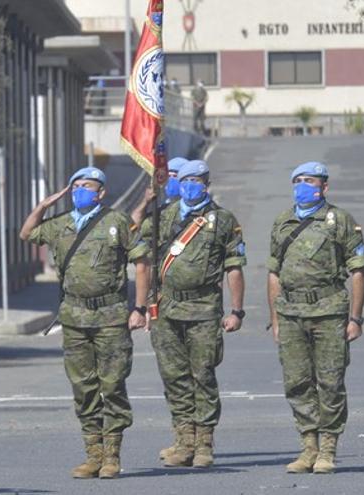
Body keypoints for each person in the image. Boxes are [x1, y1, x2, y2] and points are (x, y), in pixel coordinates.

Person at [19, 166, 151, 479]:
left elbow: (143, 264)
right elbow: (26, 234)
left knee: (113, 384)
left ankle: (112, 455)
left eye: (87, 186)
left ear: (101, 192)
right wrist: (43, 206)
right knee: (84, 387)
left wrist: (140, 308)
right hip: (74, 317)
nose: (80, 190)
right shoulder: (60, 224)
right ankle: (93, 455)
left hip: (110, 317)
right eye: (75, 186)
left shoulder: (117, 222)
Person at [141, 159, 246, 468]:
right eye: (184, 180)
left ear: (206, 184)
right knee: (174, 377)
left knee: (202, 375)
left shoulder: (223, 220)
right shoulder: (164, 216)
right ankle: (184, 441)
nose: (189, 186)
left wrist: (236, 311)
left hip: (203, 308)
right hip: (167, 308)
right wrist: (146, 305)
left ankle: (204, 444)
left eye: (196, 181)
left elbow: (234, 268)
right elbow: (137, 246)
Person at [268, 161, 364, 474]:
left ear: (324, 187)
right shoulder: (283, 221)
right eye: (297, 181)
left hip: (328, 312)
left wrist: (356, 317)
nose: (302, 186)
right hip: (291, 313)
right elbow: (274, 273)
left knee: (329, 381)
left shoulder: (340, 221)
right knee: (297, 382)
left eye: (309, 181)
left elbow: (358, 270)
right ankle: (308, 447)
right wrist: (275, 318)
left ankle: (328, 449)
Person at [130, 157, 187, 227]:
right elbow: (135, 222)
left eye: (175, 176)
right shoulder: (164, 208)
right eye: (168, 176)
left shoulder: (191, 207)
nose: (171, 180)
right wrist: (145, 202)